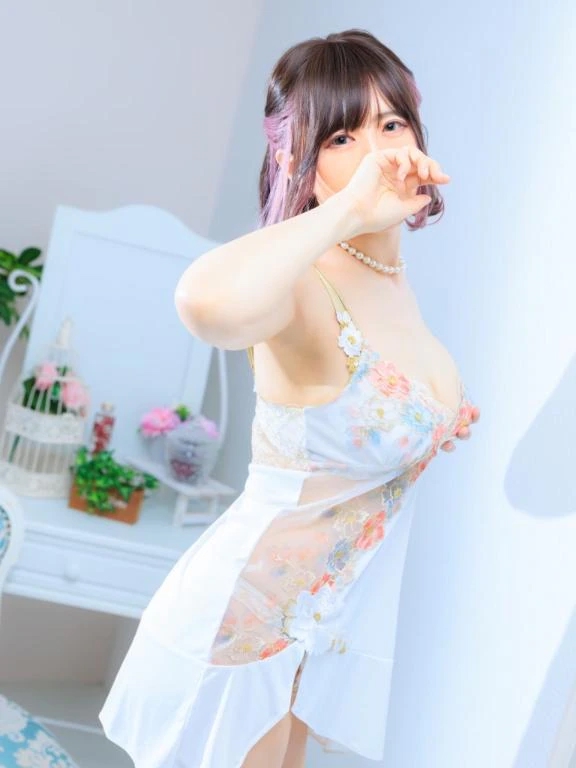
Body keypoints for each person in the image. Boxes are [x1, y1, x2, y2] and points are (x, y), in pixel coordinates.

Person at [99, 28, 480, 768]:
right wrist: (346, 209)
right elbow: (203, 304)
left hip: (306, 637)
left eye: (391, 123)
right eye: (341, 137)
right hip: (238, 634)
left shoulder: (388, 277)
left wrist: (431, 425)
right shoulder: (304, 284)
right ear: (295, 159)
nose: (377, 152)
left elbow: (358, 424)